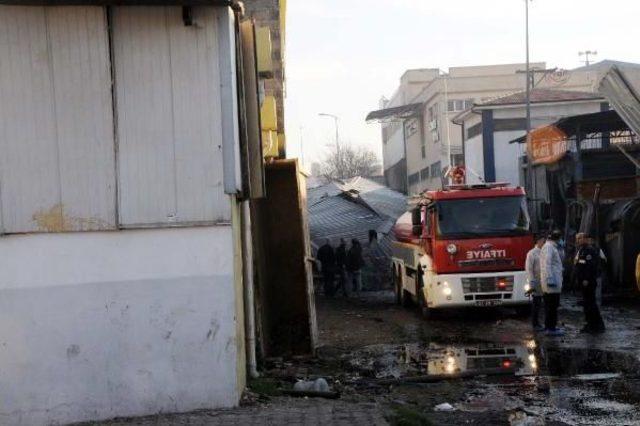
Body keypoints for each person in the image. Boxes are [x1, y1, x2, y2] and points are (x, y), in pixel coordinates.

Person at [574, 233, 606, 333]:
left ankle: (596, 325)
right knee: (587, 304)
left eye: (580, 238)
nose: (579, 240)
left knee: (590, 304)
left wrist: (586, 279)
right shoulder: (581, 250)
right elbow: (579, 264)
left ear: (586, 239)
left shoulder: (589, 250)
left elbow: (590, 267)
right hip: (583, 281)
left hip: (588, 281)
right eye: (577, 239)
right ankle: (590, 324)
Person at [541, 229, 564, 336]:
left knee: (551, 306)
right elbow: (547, 264)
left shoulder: (551, 247)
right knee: (552, 306)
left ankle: (549, 326)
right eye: (560, 238)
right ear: (557, 238)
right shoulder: (549, 247)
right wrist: (550, 278)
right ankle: (551, 328)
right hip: (552, 283)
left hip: (553, 281)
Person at [525, 235, 546, 331]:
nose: (544, 243)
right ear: (538, 241)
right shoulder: (532, 253)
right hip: (536, 281)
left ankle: (542, 322)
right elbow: (529, 269)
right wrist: (531, 281)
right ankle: (535, 323)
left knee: (544, 304)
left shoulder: (545, 252)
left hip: (545, 281)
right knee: (536, 303)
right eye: (542, 241)